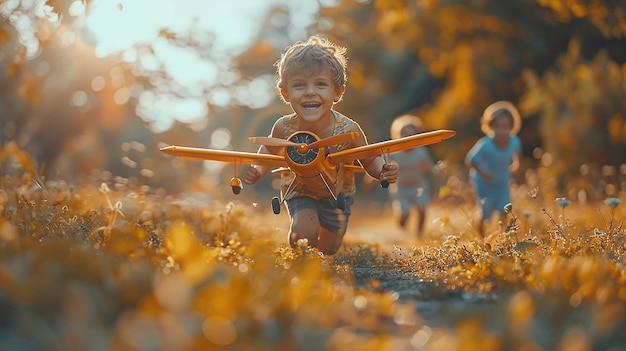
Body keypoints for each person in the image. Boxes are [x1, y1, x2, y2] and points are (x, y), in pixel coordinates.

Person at [243, 36, 398, 255]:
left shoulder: (348, 129)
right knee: (305, 232)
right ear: (285, 93)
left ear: (337, 92)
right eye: (299, 85)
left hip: (337, 194)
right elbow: (269, 149)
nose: (310, 92)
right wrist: (257, 169)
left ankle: (322, 262)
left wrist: (382, 171)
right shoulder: (284, 127)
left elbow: (369, 157)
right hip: (299, 190)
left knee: (329, 248)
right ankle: (301, 263)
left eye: (320, 84)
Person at [465, 101, 522, 236]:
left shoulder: (514, 141)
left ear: (512, 126)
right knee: (486, 211)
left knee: (505, 208)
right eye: (496, 126)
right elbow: (470, 160)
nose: (501, 130)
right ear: (489, 126)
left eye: (505, 126)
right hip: (484, 183)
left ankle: (503, 235)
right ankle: (482, 237)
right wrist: (484, 174)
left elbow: (517, 152)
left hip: (502, 182)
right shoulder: (485, 145)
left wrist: (517, 164)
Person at [388, 114, 435, 237]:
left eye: (411, 135)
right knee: (404, 214)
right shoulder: (394, 152)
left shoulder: (420, 151)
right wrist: (371, 179)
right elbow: (382, 167)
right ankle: (402, 223)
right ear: (398, 136)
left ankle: (419, 234)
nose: (408, 138)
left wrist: (437, 172)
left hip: (418, 187)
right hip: (401, 189)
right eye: (405, 135)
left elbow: (429, 167)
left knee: (422, 210)